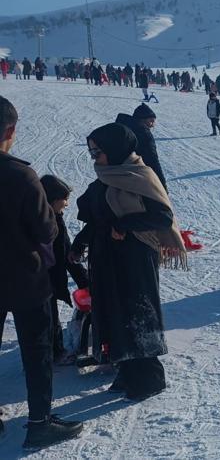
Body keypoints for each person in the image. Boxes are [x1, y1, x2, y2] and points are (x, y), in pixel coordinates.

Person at [71, 123, 186, 402]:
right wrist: (81, 241)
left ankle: (149, 377)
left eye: (98, 151)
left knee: (138, 314)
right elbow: (99, 216)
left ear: (115, 149)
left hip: (135, 257)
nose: (94, 157)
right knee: (114, 313)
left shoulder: (140, 176)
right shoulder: (105, 177)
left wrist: (126, 224)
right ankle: (126, 370)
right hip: (107, 258)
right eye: (91, 152)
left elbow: (162, 216)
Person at [0, 96, 84, 448]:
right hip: (25, 279)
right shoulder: (21, 175)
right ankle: (39, 423)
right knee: (36, 352)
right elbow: (46, 232)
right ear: (11, 130)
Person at [39, 175, 90, 364]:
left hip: (42, 277)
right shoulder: (49, 222)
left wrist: (84, 281)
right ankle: (54, 352)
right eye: (65, 199)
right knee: (48, 317)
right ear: (52, 200)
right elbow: (66, 254)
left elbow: (67, 253)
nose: (67, 204)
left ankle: (51, 349)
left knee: (47, 315)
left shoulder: (52, 217)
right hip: (44, 279)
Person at [115, 103, 167, 191]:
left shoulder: (122, 128)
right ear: (142, 120)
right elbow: (152, 160)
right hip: (135, 176)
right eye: (151, 121)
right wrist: (162, 185)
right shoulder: (144, 134)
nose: (152, 125)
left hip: (113, 173)